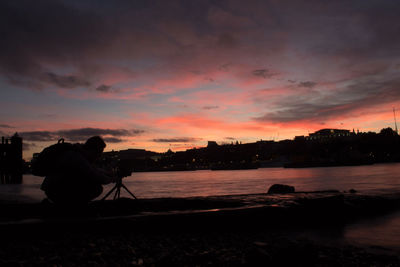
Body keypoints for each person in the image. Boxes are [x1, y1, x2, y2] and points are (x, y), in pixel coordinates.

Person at [41, 136, 115, 205]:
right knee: (96, 188)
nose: (99, 156)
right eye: (99, 153)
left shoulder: (79, 154)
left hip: (54, 189)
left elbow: (93, 169)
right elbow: (95, 176)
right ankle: (73, 207)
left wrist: (107, 173)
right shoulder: (77, 157)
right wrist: (112, 179)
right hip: (56, 191)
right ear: (93, 150)